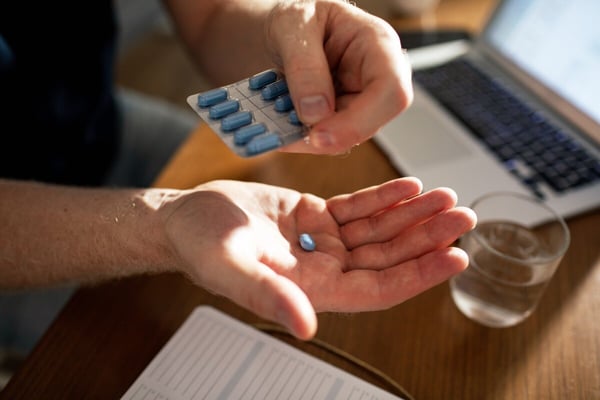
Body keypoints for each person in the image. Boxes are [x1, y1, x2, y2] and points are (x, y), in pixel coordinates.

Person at [0, 0, 476, 359]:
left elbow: (210, 15)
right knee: (162, 355)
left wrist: (292, 29)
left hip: (97, 125)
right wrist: (162, 223)